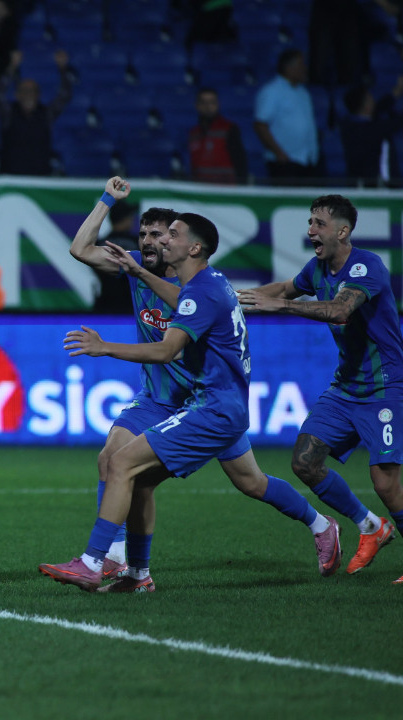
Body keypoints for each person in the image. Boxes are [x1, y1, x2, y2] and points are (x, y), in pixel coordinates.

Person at [61, 179, 341, 592]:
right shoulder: (146, 269)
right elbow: (80, 250)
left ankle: (319, 523)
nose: (152, 241)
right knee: (116, 461)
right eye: (146, 234)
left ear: (187, 246)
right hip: (161, 399)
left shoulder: (196, 287)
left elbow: (172, 340)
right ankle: (121, 560)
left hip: (203, 401)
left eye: (163, 234)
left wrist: (105, 346)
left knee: (250, 482)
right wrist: (107, 201)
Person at [238, 194, 403, 584]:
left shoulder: (366, 266)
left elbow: (339, 310)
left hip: (385, 388)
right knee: (304, 462)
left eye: (319, 224)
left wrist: (279, 307)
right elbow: (284, 288)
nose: (311, 230)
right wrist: (233, 301)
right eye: (310, 222)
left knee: (385, 481)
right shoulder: (316, 269)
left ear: (342, 232)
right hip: (345, 388)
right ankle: (370, 525)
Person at [0, 48, 72, 176]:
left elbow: (65, 95)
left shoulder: (46, 114)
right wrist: (12, 67)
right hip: (11, 177)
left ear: (38, 95)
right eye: (24, 91)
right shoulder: (8, 113)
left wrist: (62, 68)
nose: (29, 94)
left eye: (33, 91)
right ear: (17, 95)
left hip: (40, 178)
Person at [254, 49, 320, 185]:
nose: (305, 69)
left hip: (307, 160)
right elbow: (260, 125)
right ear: (289, 67)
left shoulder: (304, 93)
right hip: (284, 162)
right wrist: (279, 153)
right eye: (301, 65)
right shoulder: (272, 91)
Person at [340, 79, 403, 187]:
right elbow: (397, 121)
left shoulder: (348, 125)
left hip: (360, 183)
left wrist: (398, 90)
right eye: (370, 98)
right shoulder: (371, 129)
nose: (373, 100)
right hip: (377, 187)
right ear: (366, 106)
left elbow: (379, 107)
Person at [188, 87, 248, 185]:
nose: (208, 107)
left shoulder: (229, 129)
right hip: (200, 187)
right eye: (203, 102)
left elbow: (240, 161)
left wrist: (241, 185)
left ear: (218, 104)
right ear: (197, 105)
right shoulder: (193, 133)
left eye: (212, 102)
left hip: (224, 187)